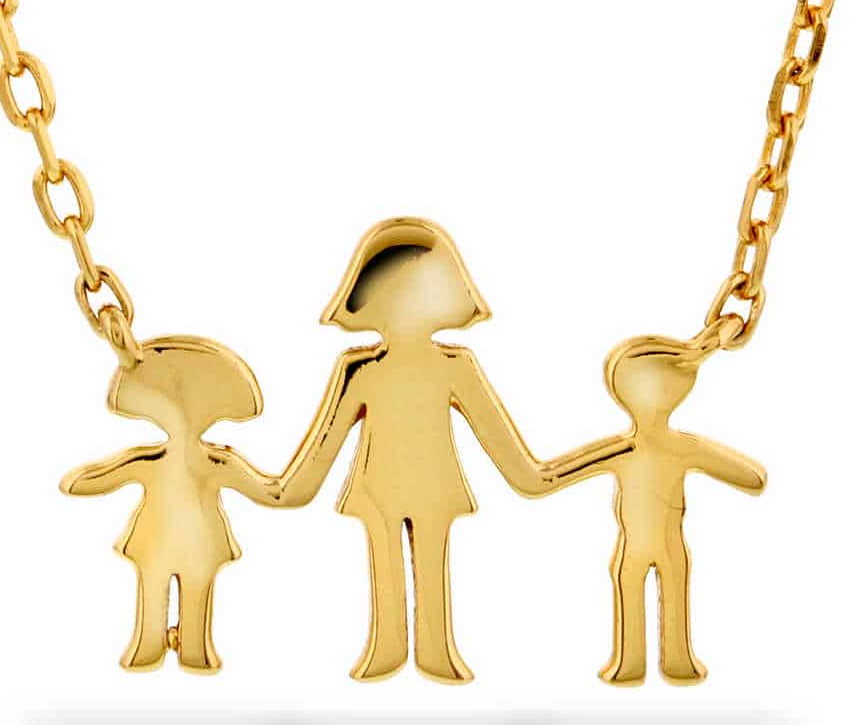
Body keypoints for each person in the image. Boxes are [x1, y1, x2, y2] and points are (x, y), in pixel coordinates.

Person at [273, 218, 549, 683]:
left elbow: (500, 441)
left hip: (429, 485)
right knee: (389, 557)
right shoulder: (361, 370)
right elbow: (325, 444)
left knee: (427, 558)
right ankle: (390, 647)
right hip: (382, 485)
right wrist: (285, 489)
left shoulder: (455, 367)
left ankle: (433, 650)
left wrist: (538, 477)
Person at [545, 332, 767, 685]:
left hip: (648, 546)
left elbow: (556, 475)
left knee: (648, 586)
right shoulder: (670, 448)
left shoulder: (644, 449)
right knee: (654, 586)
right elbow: (752, 478)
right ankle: (645, 662)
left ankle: (656, 662)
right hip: (653, 546)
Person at [61, 336, 278, 673]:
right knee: (163, 586)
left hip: (181, 543)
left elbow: (94, 479)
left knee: (187, 587)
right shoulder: (185, 461)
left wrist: (80, 482)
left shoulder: (212, 463)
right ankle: (159, 647)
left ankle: (189, 649)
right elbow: (268, 491)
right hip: (171, 541)